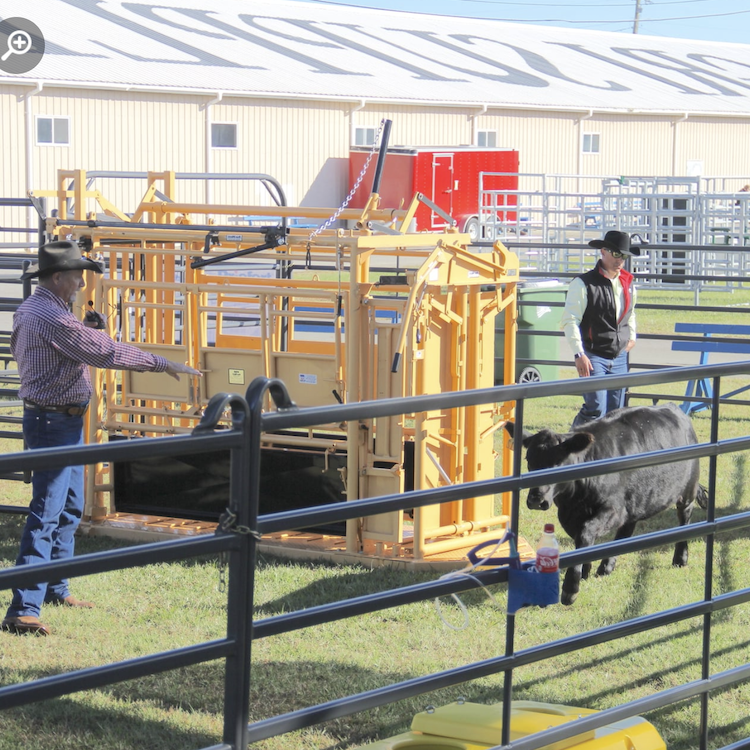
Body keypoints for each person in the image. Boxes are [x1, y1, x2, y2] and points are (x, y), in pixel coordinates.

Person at [2, 241, 202, 636]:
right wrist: (163, 364)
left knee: (68, 505)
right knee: (47, 510)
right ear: (58, 278)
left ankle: (55, 587)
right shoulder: (54, 318)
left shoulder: (34, 310)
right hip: (55, 424)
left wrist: (85, 335)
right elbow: (106, 353)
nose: (81, 282)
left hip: (55, 421)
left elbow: (69, 348)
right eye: (77, 275)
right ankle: (23, 609)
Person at [561, 230, 639, 429]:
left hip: (619, 356)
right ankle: (573, 443)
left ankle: (607, 456)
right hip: (593, 355)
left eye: (623, 256)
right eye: (616, 254)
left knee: (616, 413)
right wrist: (579, 353)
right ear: (603, 252)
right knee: (594, 409)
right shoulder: (582, 284)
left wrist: (632, 334)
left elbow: (631, 312)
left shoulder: (628, 284)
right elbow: (570, 320)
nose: (620, 260)